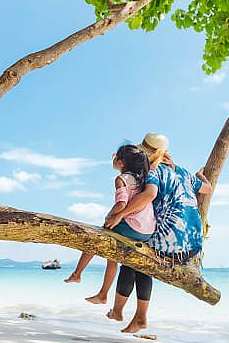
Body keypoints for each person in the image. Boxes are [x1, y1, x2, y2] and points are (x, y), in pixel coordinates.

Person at [105, 132, 212, 333]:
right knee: (138, 259)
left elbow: (149, 194)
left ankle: (122, 312)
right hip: (192, 246)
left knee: (131, 260)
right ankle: (135, 317)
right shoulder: (183, 172)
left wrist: (121, 215)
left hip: (169, 246)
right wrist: (200, 176)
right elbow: (208, 188)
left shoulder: (154, 172)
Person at [63, 145, 155, 306]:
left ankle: (78, 274)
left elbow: (121, 204)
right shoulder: (142, 179)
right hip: (147, 231)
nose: (112, 157)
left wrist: (109, 217)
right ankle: (102, 294)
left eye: (115, 155)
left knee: (95, 238)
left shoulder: (121, 179)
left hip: (132, 227)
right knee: (111, 255)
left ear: (121, 162)